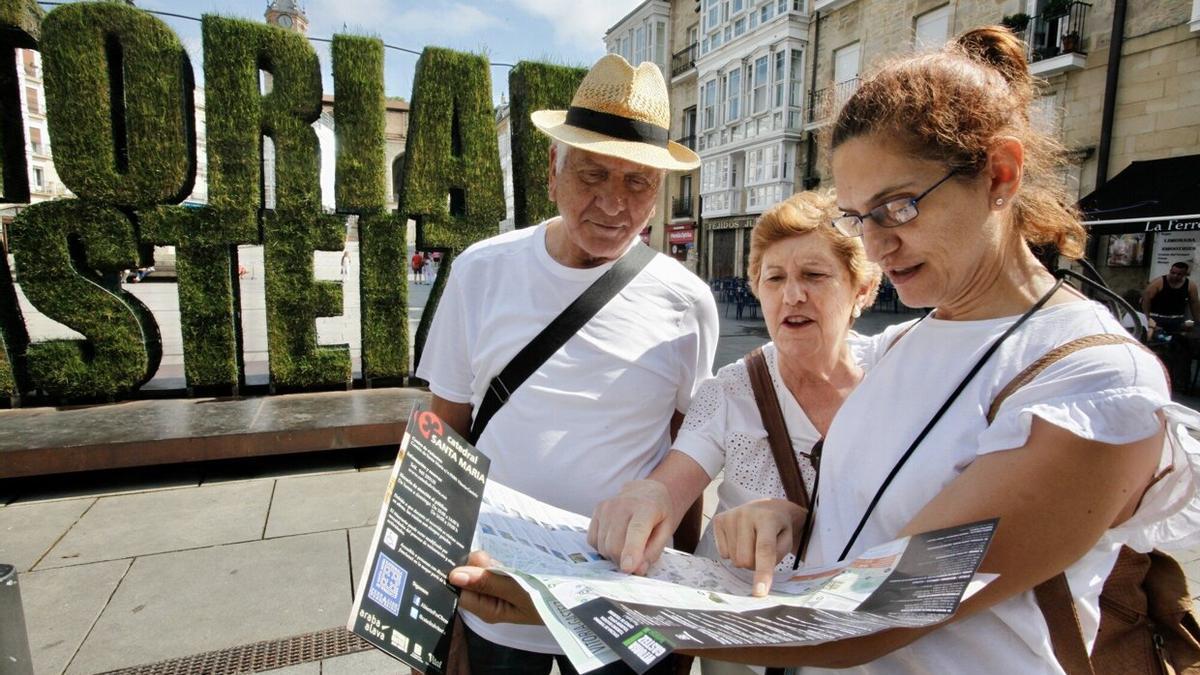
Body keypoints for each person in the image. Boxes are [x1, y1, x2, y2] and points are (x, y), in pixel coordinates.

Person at [448, 26, 1200, 674]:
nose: (875, 242)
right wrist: (796, 519)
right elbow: (880, 522)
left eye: (899, 206)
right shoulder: (908, 342)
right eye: (859, 215)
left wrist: (590, 607)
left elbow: (883, 605)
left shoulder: (1089, 379)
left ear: (1000, 175)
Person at [416, 53, 718, 675]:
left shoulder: (687, 301)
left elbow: (689, 454)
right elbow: (443, 429)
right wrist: (430, 598)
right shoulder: (481, 270)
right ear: (554, 168)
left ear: (659, 190)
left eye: (638, 182)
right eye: (593, 174)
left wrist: (677, 608)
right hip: (494, 591)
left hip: (621, 603)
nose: (614, 203)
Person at [589, 191, 880, 675]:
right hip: (743, 648)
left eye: (814, 275)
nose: (792, 295)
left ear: (862, 290)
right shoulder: (732, 389)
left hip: (854, 644)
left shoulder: (897, 376)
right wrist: (642, 501)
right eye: (775, 278)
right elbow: (673, 480)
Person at [1142, 261, 1200, 332]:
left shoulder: (1190, 286)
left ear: (1185, 274)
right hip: (1157, 318)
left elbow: (1194, 303)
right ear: (1170, 271)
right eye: (1173, 273)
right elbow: (1146, 301)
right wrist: (1147, 319)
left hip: (1177, 320)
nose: (1175, 276)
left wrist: (1197, 321)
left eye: (1179, 274)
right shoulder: (1158, 283)